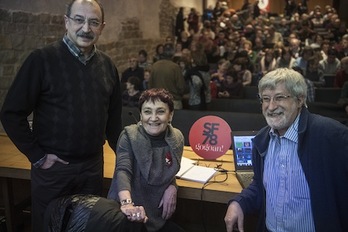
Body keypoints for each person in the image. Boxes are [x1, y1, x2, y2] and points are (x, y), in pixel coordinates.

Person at [0, 1, 123, 232]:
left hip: (92, 169)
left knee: (87, 227)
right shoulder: (41, 60)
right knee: (48, 226)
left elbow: (114, 123)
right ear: (66, 22)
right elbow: (11, 114)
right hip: (53, 172)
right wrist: (38, 156)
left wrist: (127, 162)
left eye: (93, 22)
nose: (86, 28)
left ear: (102, 27)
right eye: (79, 20)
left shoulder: (108, 66)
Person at [224, 68, 348, 232]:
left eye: (280, 97)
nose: (271, 106)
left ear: (300, 100)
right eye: (266, 99)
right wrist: (239, 202)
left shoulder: (331, 136)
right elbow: (261, 185)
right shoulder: (262, 140)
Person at [108, 88, 185, 232]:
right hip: (128, 213)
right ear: (141, 115)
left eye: (160, 111)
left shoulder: (177, 138)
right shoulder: (129, 136)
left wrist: (173, 186)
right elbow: (123, 170)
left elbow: (170, 169)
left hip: (158, 216)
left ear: (171, 115)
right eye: (147, 111)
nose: (153, 117)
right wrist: (127, 204)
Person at [148, 46, 186, 110]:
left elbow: (150, 85)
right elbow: (181, 86)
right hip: (173, 101)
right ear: (172, 55)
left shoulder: (155, 66)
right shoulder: (175, 67)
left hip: (158, 101)